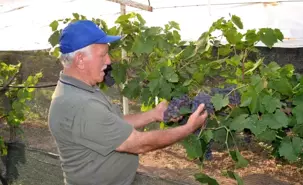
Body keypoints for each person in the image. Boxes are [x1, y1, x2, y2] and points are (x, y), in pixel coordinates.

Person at [47, 20, 208, 185]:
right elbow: (138, 144)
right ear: (80, 60)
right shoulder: (80, 105)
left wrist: (153, 115)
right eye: (103, 55)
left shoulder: (82, 89)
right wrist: (188, 128)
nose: (109, 61)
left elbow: (113, 123)